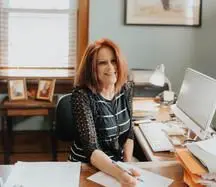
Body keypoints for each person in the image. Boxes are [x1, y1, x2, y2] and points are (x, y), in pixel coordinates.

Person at [69, 38, 140, 186]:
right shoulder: (82, 95)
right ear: (91, 68)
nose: (110, 67)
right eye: (102, 63)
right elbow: (92, 150)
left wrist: (126, 164)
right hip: (86, 166)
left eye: (114, 61)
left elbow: (129, 132)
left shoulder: (126, 89)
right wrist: (121, 175)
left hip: (116, 165)